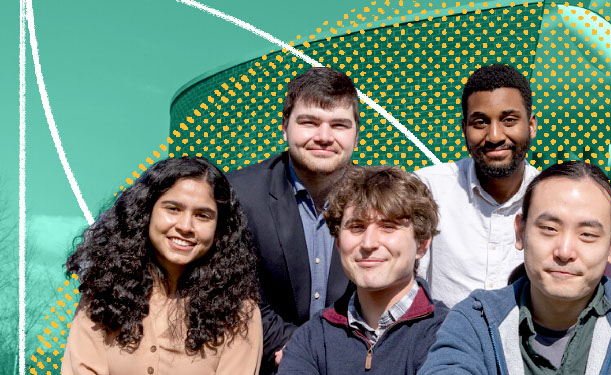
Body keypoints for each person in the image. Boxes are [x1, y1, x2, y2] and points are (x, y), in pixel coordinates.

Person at [419, 161, 611, 374]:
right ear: (520, 232)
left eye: (588, 235)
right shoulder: (476, 321)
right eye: (549, 229)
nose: (565, 251)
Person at [63, 156, 262, 374]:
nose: (186, 226)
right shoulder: (103, 294)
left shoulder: (239, 313)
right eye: (173, 209)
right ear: (146, 214)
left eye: (202, 216)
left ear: (219, 232)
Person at [228, 66, 358, 373]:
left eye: (339, 125)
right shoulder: (240, 195)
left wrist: (331, 350)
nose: (324, 137)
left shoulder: (376, 200)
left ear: (356, 132)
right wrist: (306, 351)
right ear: (285, 126)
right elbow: (236, 297)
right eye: (309, 122)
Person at [277, 166, 448, 374]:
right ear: (338, 242)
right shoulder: (312, 339)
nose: (368, 243)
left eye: (388, 226)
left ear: (422, 243)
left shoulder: (449, 334)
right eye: (357, 227)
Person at [414, 64, 540, 306]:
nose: (494, 136)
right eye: (480, 122)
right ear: (464, 129)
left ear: (531, 125)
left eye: (509, 120)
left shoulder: (554, 198)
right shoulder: (427, 189)